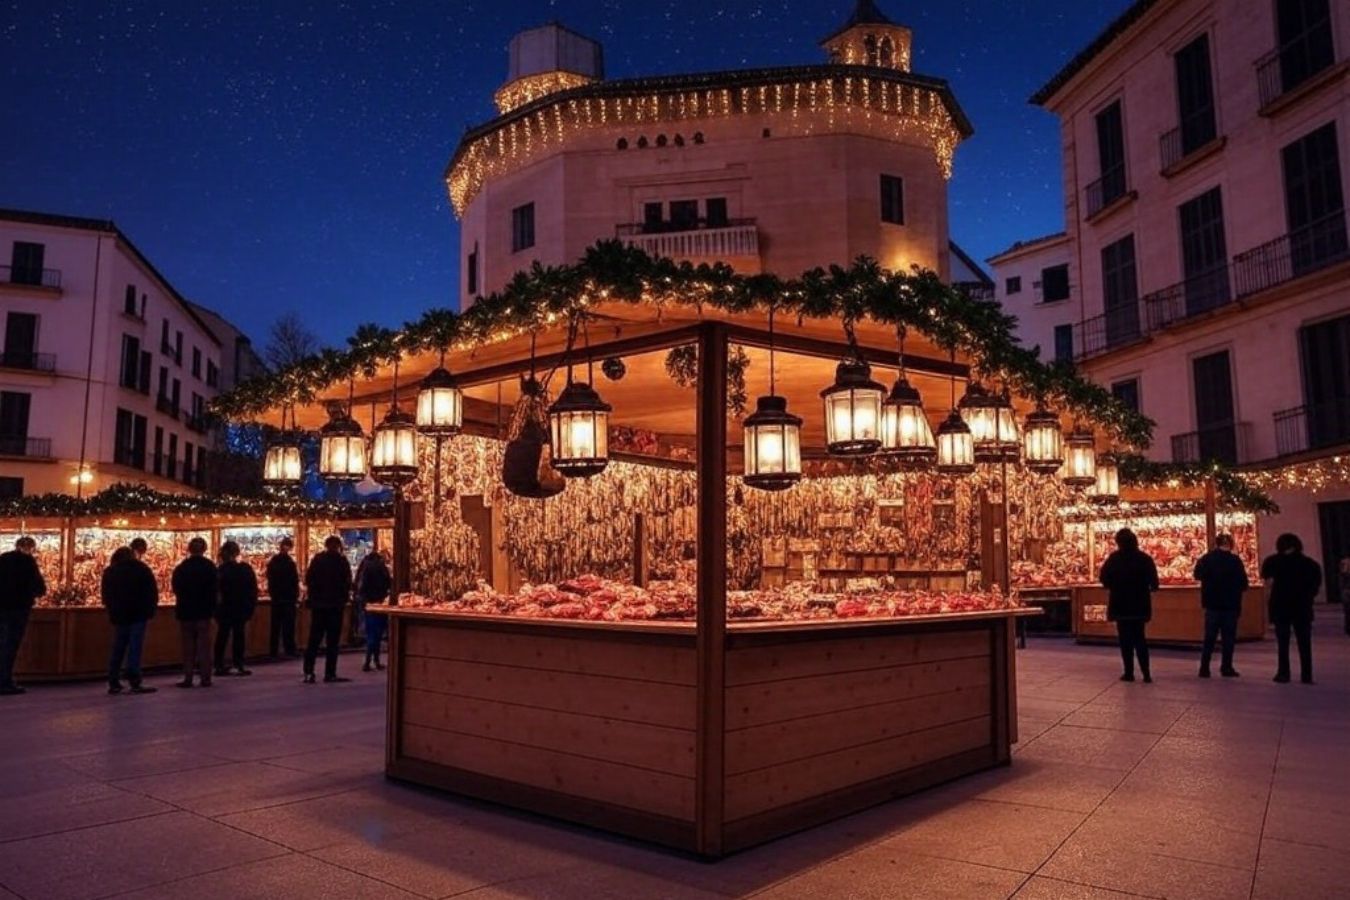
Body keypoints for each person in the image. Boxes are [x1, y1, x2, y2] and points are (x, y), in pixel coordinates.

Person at [1099, 527, 1159, 683]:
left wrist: (1114, 585)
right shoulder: (1145, 559)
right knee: (1140, 639)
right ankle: (1146, 673)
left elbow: (1104, 579)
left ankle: (1129, 672)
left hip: (1120, 606)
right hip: (1140, 606)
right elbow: (1155, 584)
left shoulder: (1114, 559)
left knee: (1125, 641)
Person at [1261, 533, 1322, 684]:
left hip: (1281, 606)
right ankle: (1306, 674)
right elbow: (1315, 586)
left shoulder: (1272, 562)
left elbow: (1268, 584)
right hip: (1302, 607)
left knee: (1283, 642)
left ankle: (1283, 673)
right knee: (1304, 642)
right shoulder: (1310, 564)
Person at [102, 545, 160, 695]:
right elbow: (152, 591)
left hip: (120, 615)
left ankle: (113, 679)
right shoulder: (141, 569)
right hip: (138, 614)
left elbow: (106, 595)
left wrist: (112, 611)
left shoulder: (111, 572)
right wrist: (150, 609)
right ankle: (134, 678)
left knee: (118, 647)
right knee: (135, 646)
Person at [1194, 534, 1249, 678]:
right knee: (1228, 639)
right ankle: (1226, 667)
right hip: (1231, 605)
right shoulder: (1235, 561)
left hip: (1212, 604)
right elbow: (1244, 583)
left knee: (1209, 638)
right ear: (1230, 544)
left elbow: (1197, 575)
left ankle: (1204, 668)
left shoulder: (1206, 559)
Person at [0, 536, 47, 696]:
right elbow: (39, 587)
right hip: (19, 608)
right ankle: (4, 681)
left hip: (2, 606)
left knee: (2, 642)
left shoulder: (3, 559)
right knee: (11, 645)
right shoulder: (28, 563)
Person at [304, 535, 353, 684]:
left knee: (314, 640)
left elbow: (309, 579)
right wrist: (343, 598)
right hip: (335, 606)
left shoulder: (317, 560)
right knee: (332, 641)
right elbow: (347, 582)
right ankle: (330, 673)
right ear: (338, 546)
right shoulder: (341, 561)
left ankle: (309, 672)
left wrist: (313, 597)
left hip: (319, 606)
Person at [172, 537, 217, 688]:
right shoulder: (209, 567)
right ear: (204, 549)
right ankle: (206, 677)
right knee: (205, 647)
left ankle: (188, 677)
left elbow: (176, 588)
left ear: (189, 549)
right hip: (204, 612)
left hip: (186, 611)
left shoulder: (182, 567)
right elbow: (215, 589)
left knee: (188, 647)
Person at [214, 541, 258, 677]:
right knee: (239, 635)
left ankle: (219, 664)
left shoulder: (220, 570)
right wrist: (250, 607)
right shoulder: (245, 569)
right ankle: (238, 664)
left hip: (224, 608)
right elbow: (252, 590)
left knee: (222, 635)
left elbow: (215, 591)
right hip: (240, 608)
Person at [265, 537, 301, 657]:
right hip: (288, 598)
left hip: (276, 597)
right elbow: (294, 581)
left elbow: (270, 579)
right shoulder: (290, 563)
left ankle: (273, 650)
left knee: (275, 626)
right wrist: (296, 596)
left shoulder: (273, 562)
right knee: (288, 626)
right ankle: (289, 648)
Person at [357, 550, 392, 672]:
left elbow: (360, 586)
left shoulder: (365, 568)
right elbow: (389, 583)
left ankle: (369, 660)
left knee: (371, 633)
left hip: (368, 604)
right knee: (376, 633)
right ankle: (374, 660)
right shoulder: (382, 568)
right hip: (380, 602)